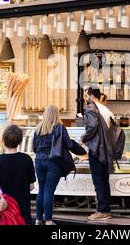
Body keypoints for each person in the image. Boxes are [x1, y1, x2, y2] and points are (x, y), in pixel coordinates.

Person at [33, 105, 76, 225]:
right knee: (49, 192)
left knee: (41, 190)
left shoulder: (38, 128)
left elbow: (34, 147)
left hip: (39, 162)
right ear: (57, 114)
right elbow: (68, 144)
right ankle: (49, 221)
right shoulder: (60, 128)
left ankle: (37, 219)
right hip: (53, 163)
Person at [0, 125, 36, 225]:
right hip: (22, 212)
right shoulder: (26, 159)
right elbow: (31, 187)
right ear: (20, 141)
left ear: (3, 139)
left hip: (3, 214)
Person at [82, 87, 115, 221]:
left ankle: (101, 211)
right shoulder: (106, 109)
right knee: (104, 180)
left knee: (98, 181)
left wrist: (84, 138)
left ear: (91, 96)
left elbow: (92, 126)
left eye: (86, 95)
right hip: (106, 150)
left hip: (96, 150)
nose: (85, 98)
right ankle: (106, 210)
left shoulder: (91, 108)